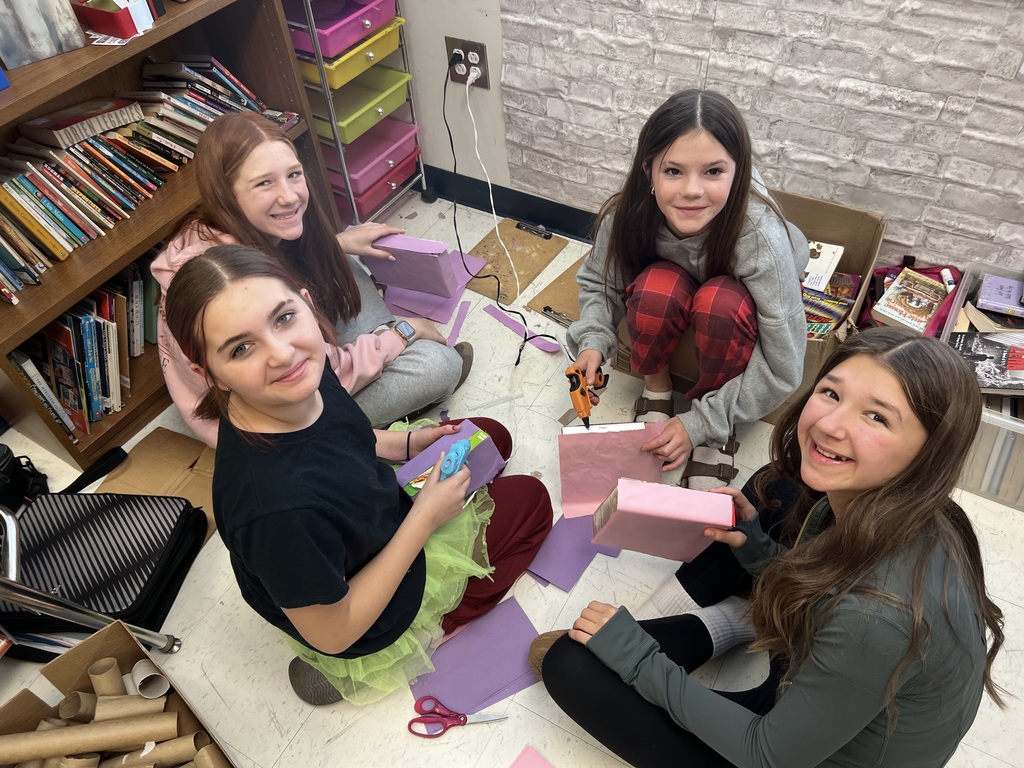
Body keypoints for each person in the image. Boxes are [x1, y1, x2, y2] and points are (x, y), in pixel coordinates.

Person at [535, 327, 1005, 767]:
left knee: (571, 667)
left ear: (930, 451)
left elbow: (765, 756)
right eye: (831, 393)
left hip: (799, 751)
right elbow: (834, 586)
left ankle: (733, 617)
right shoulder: (929, 512)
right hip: (816, 688)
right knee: (774, 488)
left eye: (877, 416)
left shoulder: (876, 619)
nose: (830, 425)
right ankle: (746, 613)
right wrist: (757, 549)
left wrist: (638, 659)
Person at [164, 244, 552, 705]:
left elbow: (343, 431)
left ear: (308, 304)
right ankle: (419, 637)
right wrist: (424, 519)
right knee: (533, 502)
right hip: (354, 613)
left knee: (491, 437)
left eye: (284, 317)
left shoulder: (301, 374)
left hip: (364, 522)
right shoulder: (275, 508)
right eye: (242, 348)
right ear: (207, 372)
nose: (282, 353)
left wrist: (404, 444)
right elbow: (334, 631)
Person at [153, 111, 468, 446]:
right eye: (264, 183)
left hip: (292, 369)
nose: (289, 196)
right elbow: (307, 371)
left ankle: (379, 349)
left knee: (335, 256)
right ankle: (384, 363)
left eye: (293, 175)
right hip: (273, 410)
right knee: (440, 365)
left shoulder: (213, 231)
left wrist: (337, 243)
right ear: (226, 193)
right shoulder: (234, 287)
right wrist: (405, 333)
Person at [567, 89, 808, 486]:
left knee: (720, 303)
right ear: (649, 172)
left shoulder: (760, 238)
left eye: (714, 171)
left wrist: (699, 423)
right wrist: (592, 338)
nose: (692, 190)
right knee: (656, 289)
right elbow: (598, 281)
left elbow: (785, 368)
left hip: (731, 298)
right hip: (674, 285)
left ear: (739, 171)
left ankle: (716, 424)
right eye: (673, 171)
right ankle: (657, 392)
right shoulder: (626, 215)